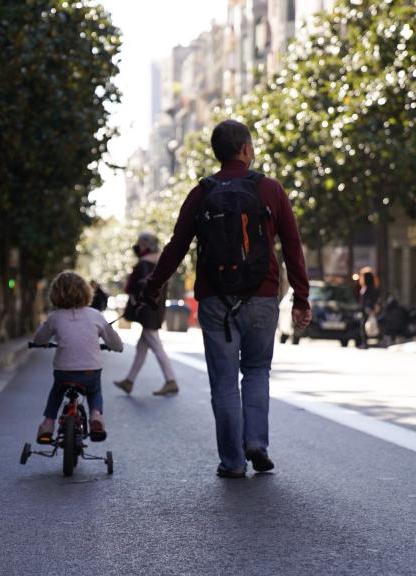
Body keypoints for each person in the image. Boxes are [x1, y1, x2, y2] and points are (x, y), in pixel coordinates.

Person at [138, 119, 312, 478]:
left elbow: (175, 248)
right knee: (257, 371)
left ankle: (232, 461)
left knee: (223, 381)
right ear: (246, 149)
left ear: (217, 153)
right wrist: (300, 298)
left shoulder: (202, 192)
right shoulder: (271, 190)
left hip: (215, 300)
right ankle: (256, 443)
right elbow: (292, 247)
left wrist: (152, 287)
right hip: (262, 297)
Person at [33, 271, 124, 445]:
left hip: (64, 373)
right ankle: (96, 416)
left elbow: (39, 338)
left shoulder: (55, 317)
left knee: (56, 392)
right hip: (90, 372)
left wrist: (40, 343)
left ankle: (47, 424)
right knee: (94, 391)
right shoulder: (95, 315)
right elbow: (115, 343)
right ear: (86, 291)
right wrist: (116, 347)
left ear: (55, 294)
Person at [114, 232, 179, 396]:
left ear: (146, 244)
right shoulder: (161, 262)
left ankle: (171, 381)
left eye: (141, 243)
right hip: (154, 309)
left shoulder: (144, 263)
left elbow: (138, 287)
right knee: (141, 347)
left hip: (146, 310)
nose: (138, 246)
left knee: (156, 346)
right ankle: (129, 381)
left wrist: (137, 303)